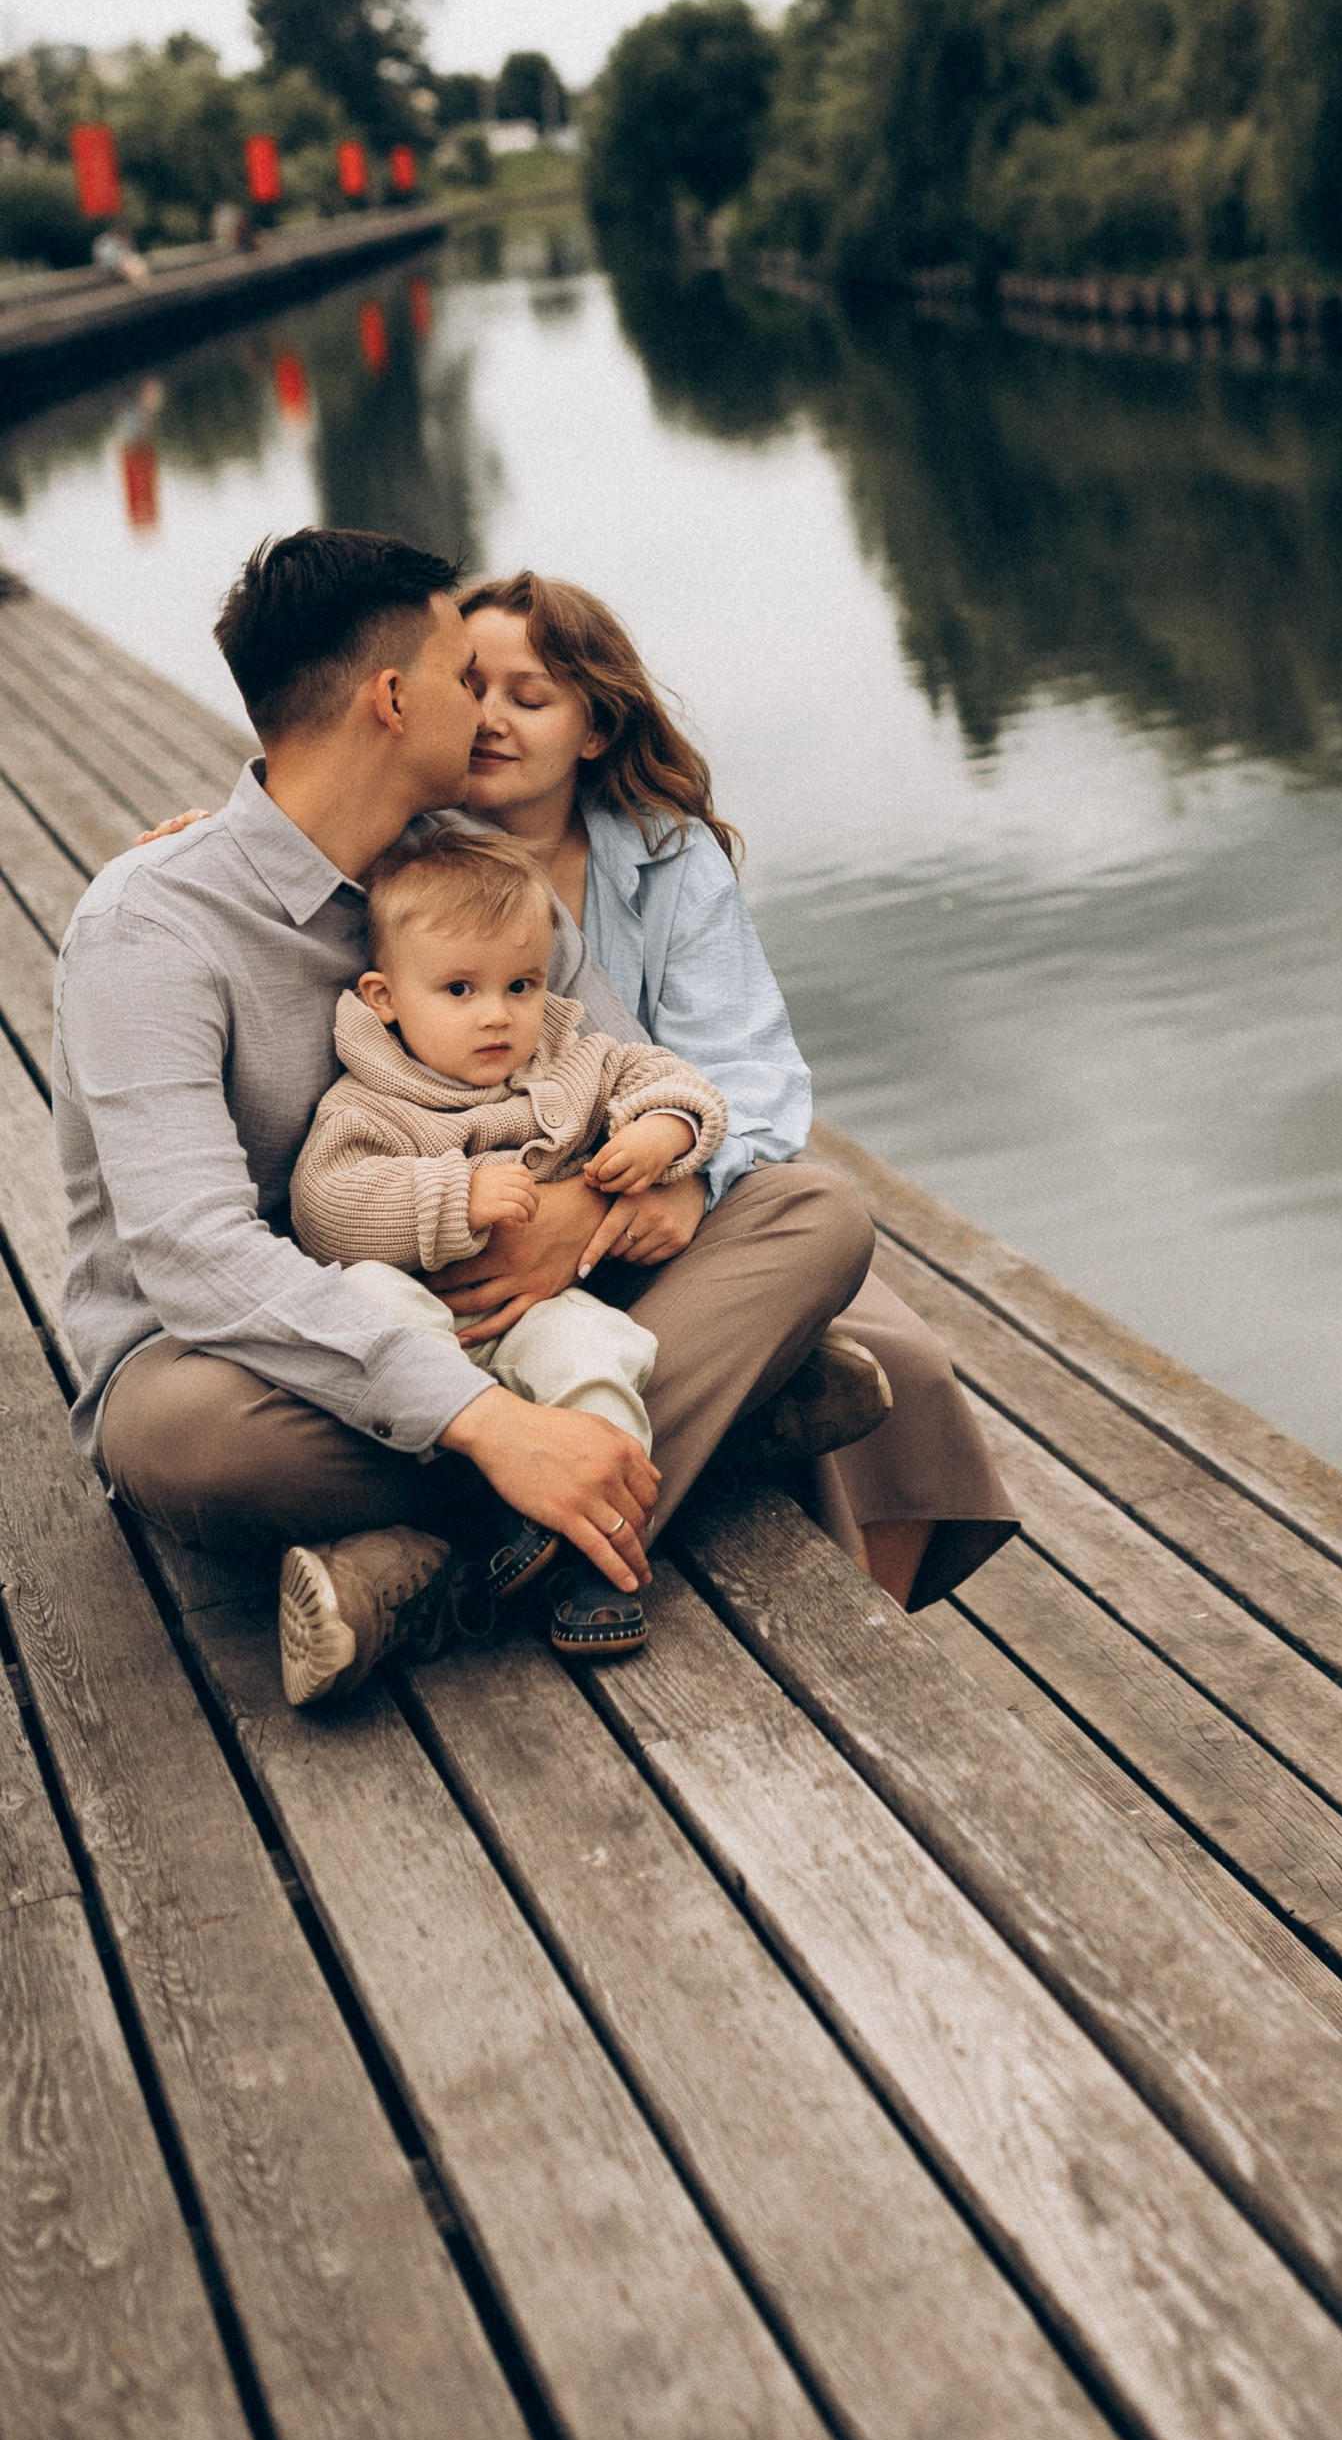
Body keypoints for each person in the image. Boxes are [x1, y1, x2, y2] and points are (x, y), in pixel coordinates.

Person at [55, 529, 885, 1707]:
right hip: (250, 1356)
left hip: (511, 1296)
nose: (486, 712)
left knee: (814, 1212)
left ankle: (439, 1568)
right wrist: (485, 1419)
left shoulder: (471, 876)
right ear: (393, 700)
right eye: (463, 678)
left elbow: (618, 1061)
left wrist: (582, 1205)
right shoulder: (154, 925)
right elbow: (193, 1256)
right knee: (185, 1438)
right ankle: (655, 1448)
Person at [454, 569, 1016, 1609]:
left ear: (592, 726)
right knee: (802, 1355)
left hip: (675, 1181)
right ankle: (549, 1531)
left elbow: (751, 1071)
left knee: (904, 1367)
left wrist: (688, 1177)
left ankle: (864, 1632)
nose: (488, 717)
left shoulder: (666, 852)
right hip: (506, 1219)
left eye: (527, 696)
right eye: (468, 686)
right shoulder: (412, 857)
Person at [291, 819, 784, 1668]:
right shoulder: (367, 1099)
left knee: (594, 1350)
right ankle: (507, 1513)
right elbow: (325, 1210)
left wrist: (663, 1133)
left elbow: (667, 1076)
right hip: (427, 1339)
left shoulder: (568, 1055)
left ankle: (597, 1548)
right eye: (459, 991)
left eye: (520, 985)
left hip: (535, 1313)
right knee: (367, 1304)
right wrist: (456, 1192)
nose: (498, 1016)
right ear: (384, 998)